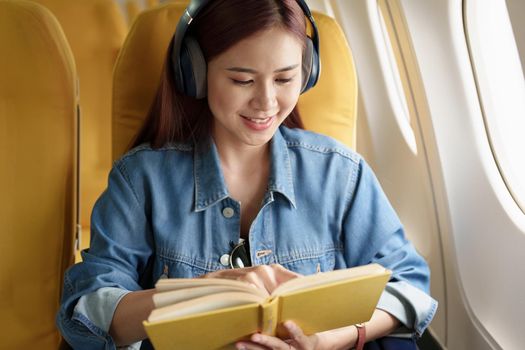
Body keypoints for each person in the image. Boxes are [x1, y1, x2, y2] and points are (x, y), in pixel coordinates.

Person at [56, 1, 437, 349]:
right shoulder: (141, 179)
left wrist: (330, 339)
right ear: (197, 74)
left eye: (285, 79)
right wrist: (191, 297)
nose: (266, 102)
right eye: (242, 81)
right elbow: (86, 310)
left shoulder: (341, 173)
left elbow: (409, 286)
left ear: (306, 72)